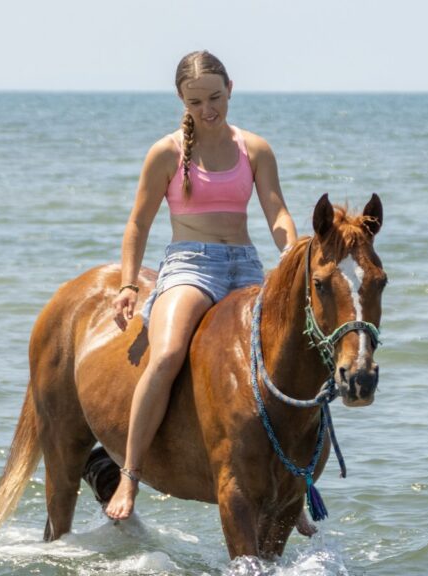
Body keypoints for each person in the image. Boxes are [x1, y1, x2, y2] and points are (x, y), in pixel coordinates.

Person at [107, 50, 299, 522]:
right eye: (195, 101)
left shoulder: (255, 148)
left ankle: (292, 484)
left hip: (245, 265)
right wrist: (128, 284)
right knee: (167, 354)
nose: (207, 109)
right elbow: (138, 223)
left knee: (286, 362)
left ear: (230, 88)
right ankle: (129, 475)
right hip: (190, 266)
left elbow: (276, 212)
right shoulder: (167, 152)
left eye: (215, 97)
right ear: (181, 100)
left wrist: (292, 256)